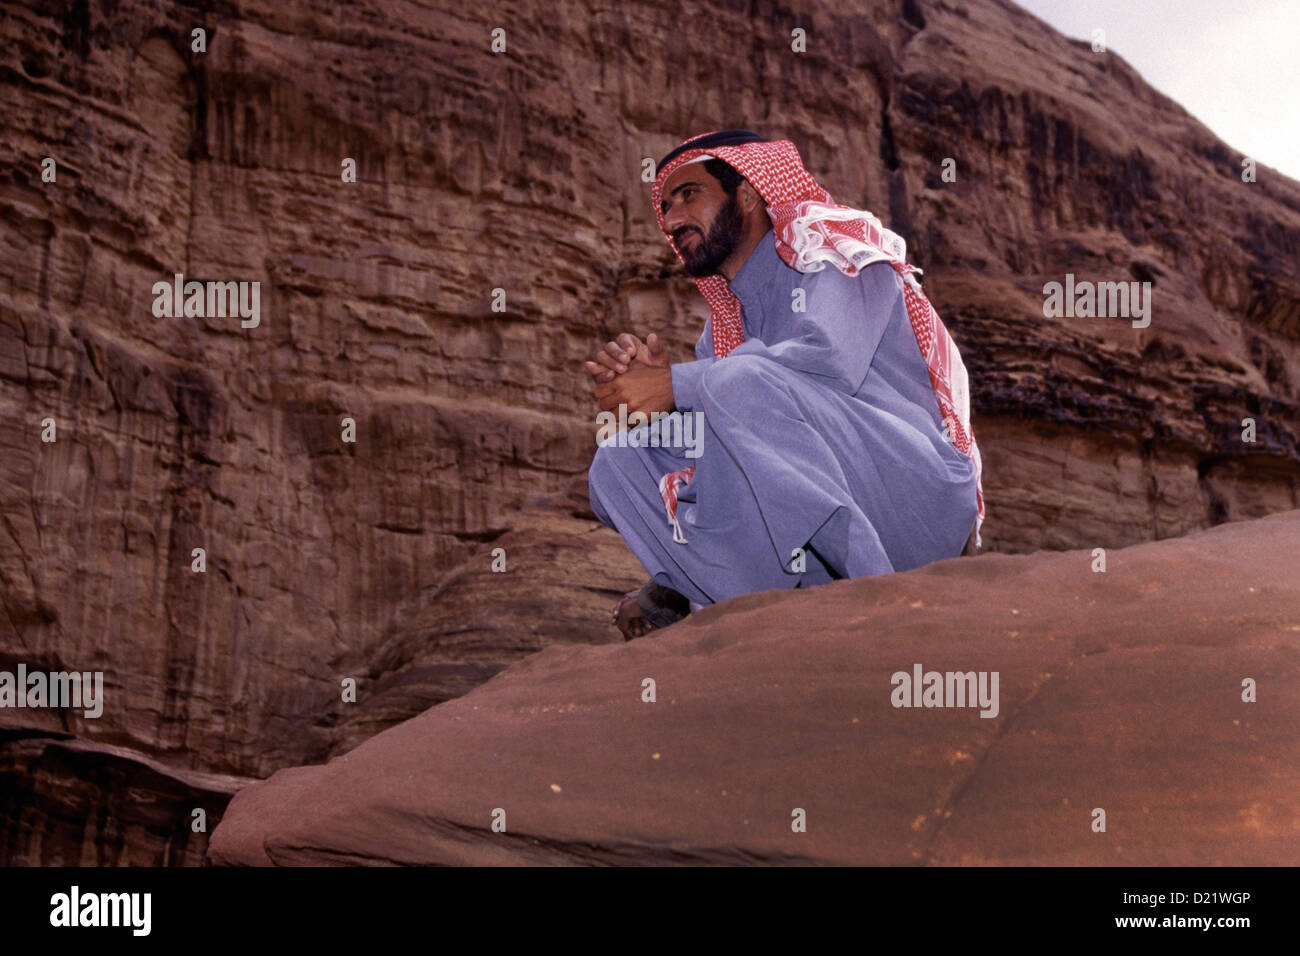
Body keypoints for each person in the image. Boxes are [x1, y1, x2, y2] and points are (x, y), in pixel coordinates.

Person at [586, 129, 985, 639]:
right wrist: (665, 406)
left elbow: (827, 362)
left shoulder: (831, 250)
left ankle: (878, 606)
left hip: (910, 499)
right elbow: (738, 437)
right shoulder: (724, 327)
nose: (672, 218)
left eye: (689, 195)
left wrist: (675, 384)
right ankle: (724, 603)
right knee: (619, 460)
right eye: (665, 207)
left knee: (736, 381)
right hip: (805, 530)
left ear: (749, 193)